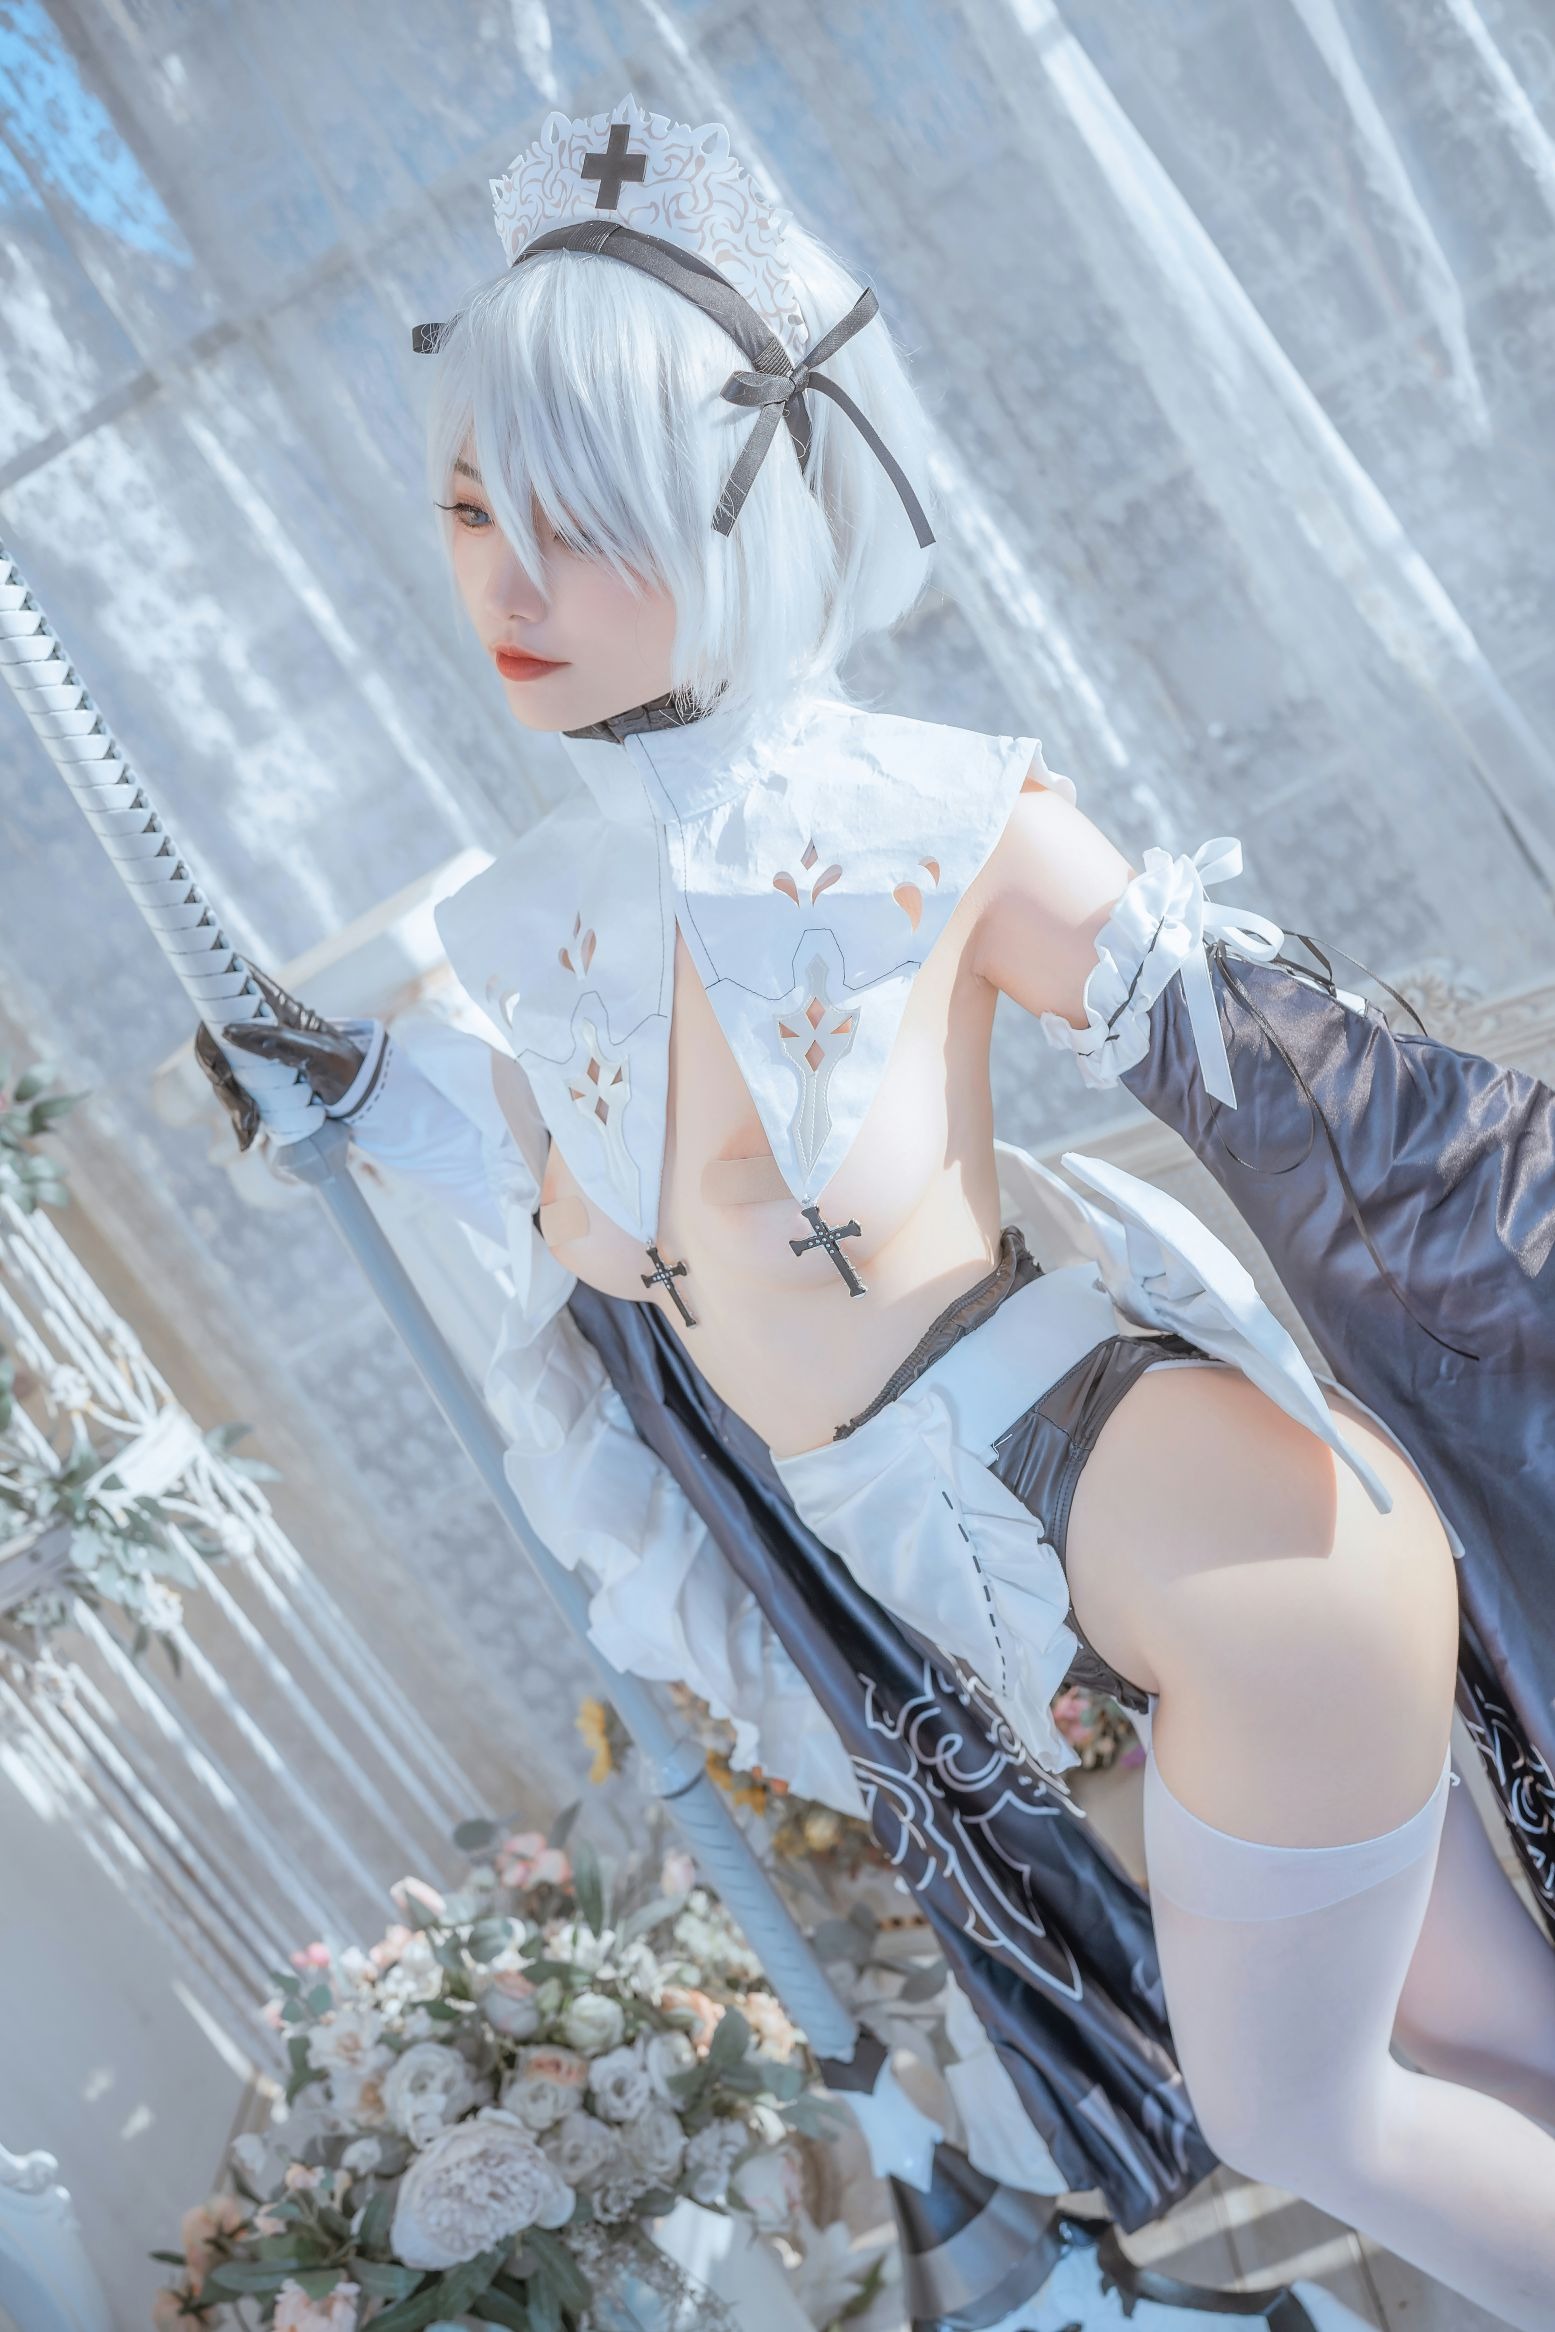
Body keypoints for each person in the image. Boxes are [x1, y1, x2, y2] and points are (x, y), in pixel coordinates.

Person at [200, 96, 1555, 2328]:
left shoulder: (925, 808)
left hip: (1204, 1538)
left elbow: (1288, 1073)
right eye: (469, 511)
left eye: (580, 523)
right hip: (1102, 1604)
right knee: (1497, 2064)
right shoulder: (548, 927)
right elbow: (578, 1202)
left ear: (730, 506)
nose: (510, 587)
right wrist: (348, 1082)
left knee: (1312, 2111)